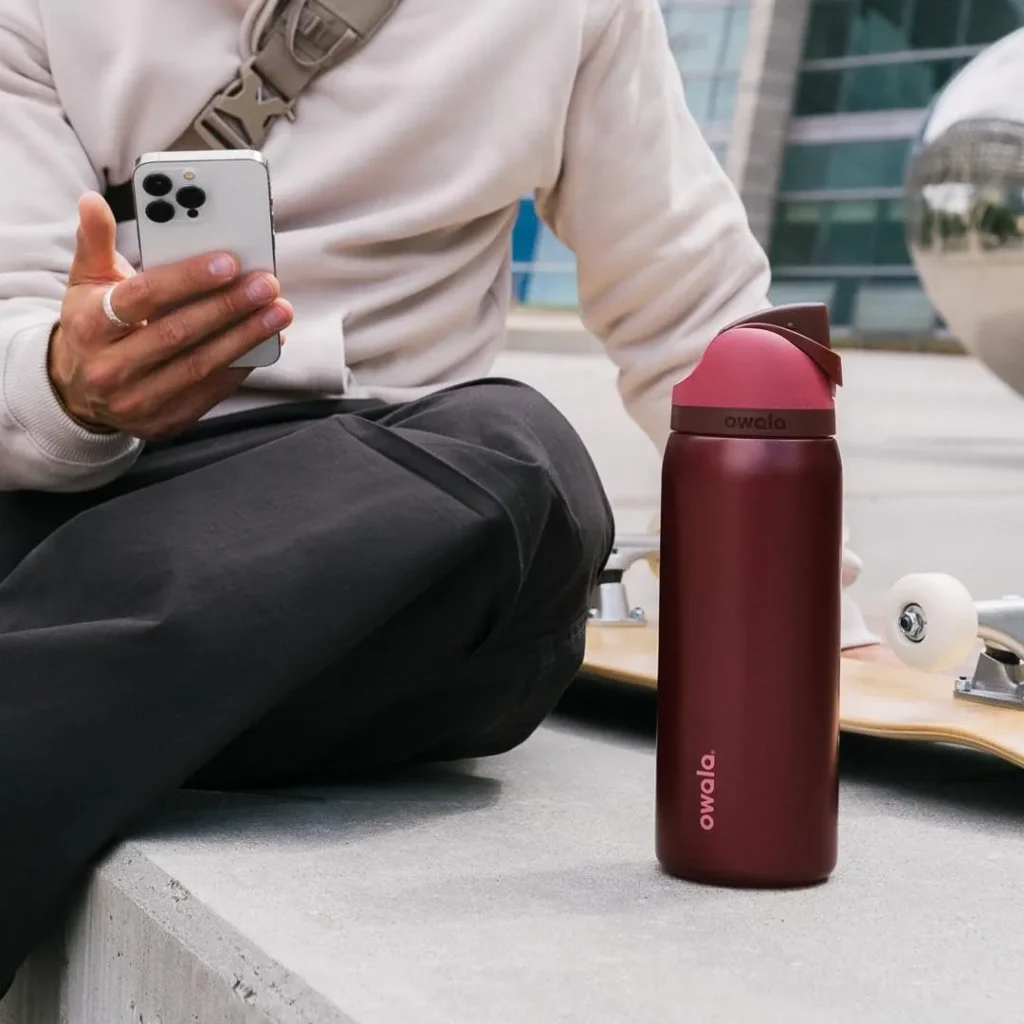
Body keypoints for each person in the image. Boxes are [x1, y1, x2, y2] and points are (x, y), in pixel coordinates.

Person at [0, 0, 892, 994]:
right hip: (101, 492)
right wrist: (68, 383)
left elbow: (702, 318)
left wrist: (824, 622)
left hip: (396, 532)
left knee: (518, 455)